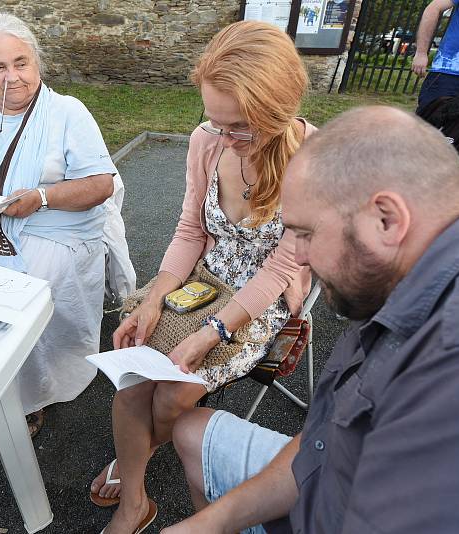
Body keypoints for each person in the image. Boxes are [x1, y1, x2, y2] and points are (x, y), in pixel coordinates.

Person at [163, 106, 459, 534]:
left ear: (387, 219)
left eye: (306, 233)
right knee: (193, 432)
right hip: (327, 484)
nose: (298, 256)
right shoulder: (405, 281)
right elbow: (327, 440)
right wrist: (216, 521)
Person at [92, 21, 312, 534]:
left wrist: (212, 332)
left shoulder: (313, 161)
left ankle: (132, 462)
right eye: (215, 122)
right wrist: (153, 299)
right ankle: (136, 501)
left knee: (170, 394)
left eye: (239, 127)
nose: (225, 137)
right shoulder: (207, 142)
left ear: (276, 113)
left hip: (261, 298)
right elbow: (191, 229)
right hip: (203, 277)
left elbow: (281, 269)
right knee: (131, 383)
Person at [0, 13, 118, 437]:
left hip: (54, 230)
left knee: (16, 289)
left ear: (37, 63)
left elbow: (102, 183)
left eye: (21, 63)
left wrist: (42, 197)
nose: (12, 76)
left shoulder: (67, 112)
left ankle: (26, 396)